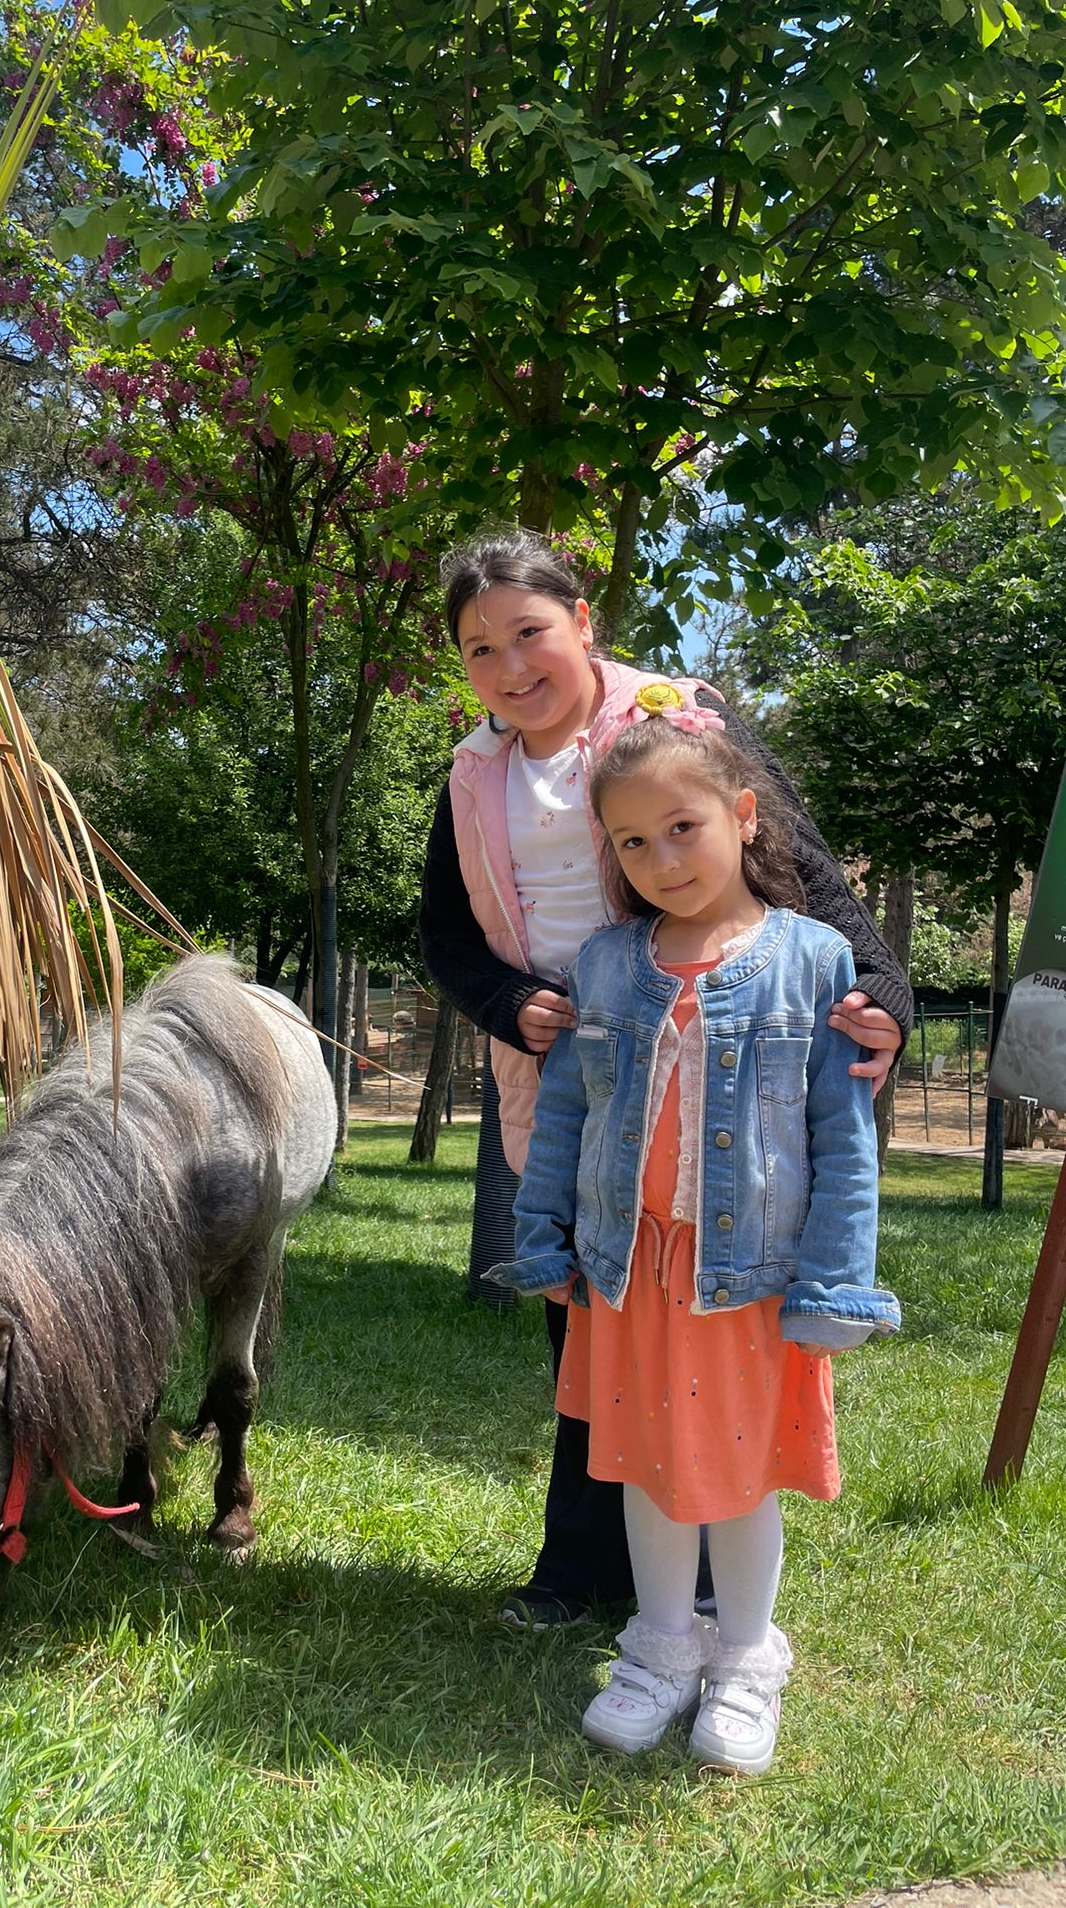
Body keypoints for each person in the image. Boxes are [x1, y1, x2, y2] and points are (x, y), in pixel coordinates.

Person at [418, 526, 911, 1626]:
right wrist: (509, 1004)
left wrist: (884, 986)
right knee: (594, 1329)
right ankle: (587, 1570)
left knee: (712, 1325)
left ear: (583, 621)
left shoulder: (671, 722)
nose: (508, 667)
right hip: (579, 1083)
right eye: (477, 649)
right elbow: (445, 936)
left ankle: (705, 1587)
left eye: (529, 633)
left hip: (719, 1070)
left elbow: (799, 859)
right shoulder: (471, 775)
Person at [487, 707, 900, 1773]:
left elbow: (843, 1139)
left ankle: (747, 1658)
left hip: (748, 1281)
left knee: (739, 1473)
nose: (660, 858)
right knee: (639, 1463)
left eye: (682, 826)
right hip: (633, 1273)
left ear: (743, 813)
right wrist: (544, 1238)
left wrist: (839, 1281)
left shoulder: (815, 962)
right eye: (631, 841)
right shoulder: (609, 962)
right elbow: (569, 1114)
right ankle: (662, 1649)